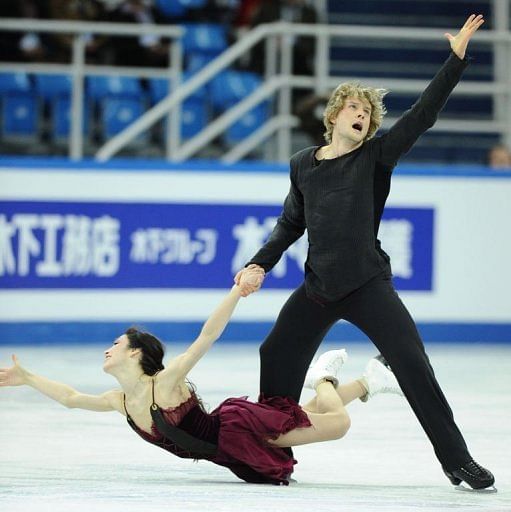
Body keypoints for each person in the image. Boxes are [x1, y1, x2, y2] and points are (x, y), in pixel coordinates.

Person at [235, 14, 496, 491]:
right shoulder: (303, 166)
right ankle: (273, 449)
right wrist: (259, 264)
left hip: (367, 285)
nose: (363, 115)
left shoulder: (375, 157)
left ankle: (457, 460)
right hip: (317, 288)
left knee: (412, 362)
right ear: (334, 115)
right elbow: (292, 222)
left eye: (369, 114)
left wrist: (455, 61)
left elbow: (421, 115)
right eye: (354, 107)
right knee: (276, 351)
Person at [0, 266, 403, 486]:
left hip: (240, 431)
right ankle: (367, 381)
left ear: (136, 353)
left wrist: (236, 292)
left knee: (339, 425)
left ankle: (324, 378)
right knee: (310, 415)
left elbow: (206, 336)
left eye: (116, 344)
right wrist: (27, 377)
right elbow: (71, 397)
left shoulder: (167, 382)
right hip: (229, 454)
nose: (108, 350)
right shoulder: (118, 401)